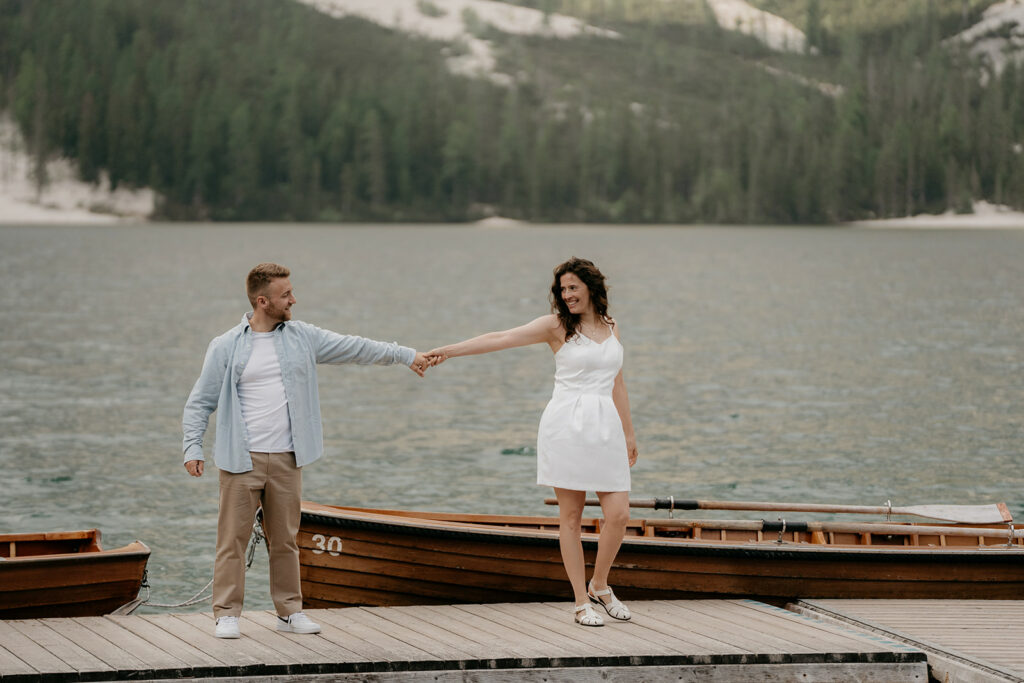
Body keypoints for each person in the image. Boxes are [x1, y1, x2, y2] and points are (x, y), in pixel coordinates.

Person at [182, 263, 431, 639]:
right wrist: (192, 447)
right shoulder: (226, 345)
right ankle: (227, 613)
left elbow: (356, 347)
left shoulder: (303, 337)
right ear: (262, 301)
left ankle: (289, 611)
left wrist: (405, 354)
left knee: (285, 540)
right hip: (239, 459)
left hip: (287, 457)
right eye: (286, 295)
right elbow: (199, 401)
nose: (293, 299)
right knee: (231, 541)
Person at [426, 257, 638, 627]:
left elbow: (617, 381)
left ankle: (600, 585)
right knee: (570, 517)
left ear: (591, 287)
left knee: (618, 515)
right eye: (562, 289)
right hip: (566, 426)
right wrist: (446, 350)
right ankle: (579, 602)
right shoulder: (556, 326)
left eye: (573, 287)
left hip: (606, 426)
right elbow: (499, 339)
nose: (566, 294)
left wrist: (629, 432)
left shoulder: (611, 325)